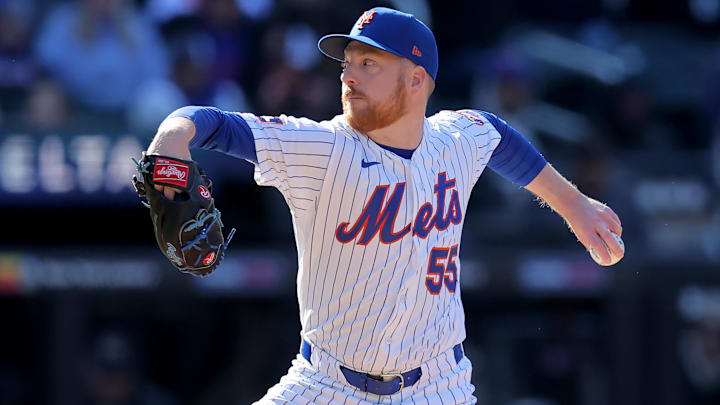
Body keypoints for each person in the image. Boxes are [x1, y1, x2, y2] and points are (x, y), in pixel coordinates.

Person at [144, 7, 624, 404]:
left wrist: (574, 205)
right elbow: (210, 123)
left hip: (437, 386)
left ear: (417, 80)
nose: (349, 74)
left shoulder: (456, 138)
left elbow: (500, 137)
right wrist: (170, 138)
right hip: (326, 384)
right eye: (347, 63)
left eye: (368, 63)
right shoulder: (320, 147)